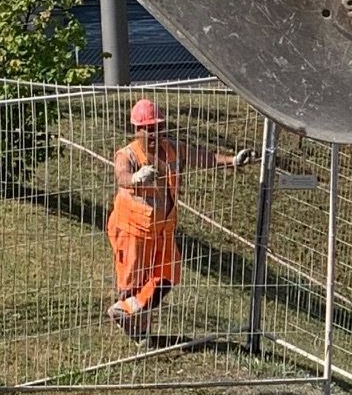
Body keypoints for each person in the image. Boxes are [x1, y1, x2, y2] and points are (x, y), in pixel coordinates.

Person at [107, 98, 253, 334]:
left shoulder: (173, 150)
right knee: (132, 281)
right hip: (132, 230)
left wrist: (232, 160)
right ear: (136, 129)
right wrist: (135, 178)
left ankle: (126, 312)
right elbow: (121, 175)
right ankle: (136, 329)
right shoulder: (127, 155)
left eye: (159, 127)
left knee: (168, 275)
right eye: (148, 129)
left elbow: (203, 157)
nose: (155, 134)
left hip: (163, 229)